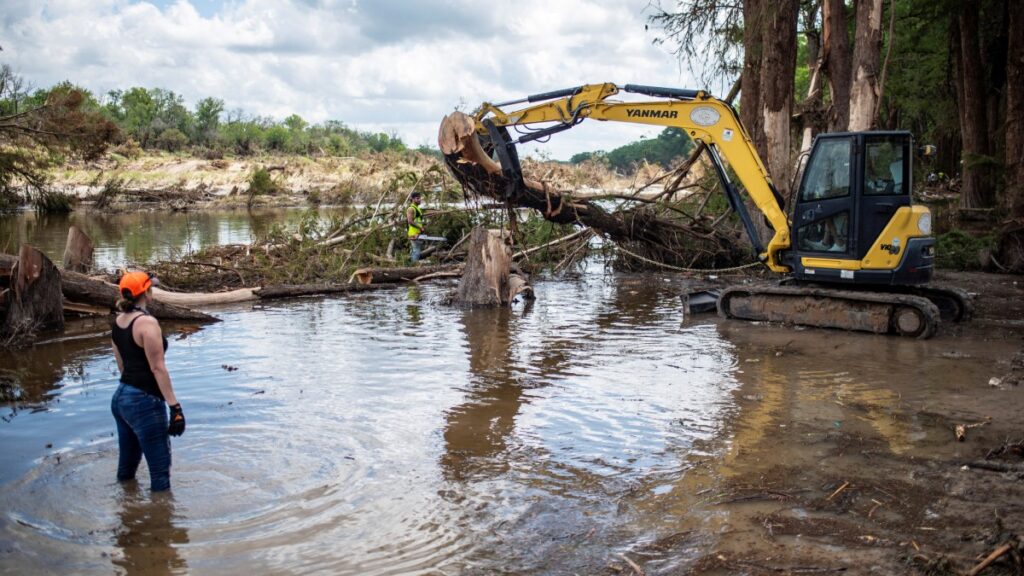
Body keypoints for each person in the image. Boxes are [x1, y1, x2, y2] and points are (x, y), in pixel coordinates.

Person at [110, 271, 185, 492]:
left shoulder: (118, 322)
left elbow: (121, 366)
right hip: (144, 402)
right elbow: (157, 367)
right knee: (160, 473)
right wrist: (175, 407)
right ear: (146, 293)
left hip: (121, 399)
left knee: (126, 471)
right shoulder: (147, 323)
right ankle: (160, 523)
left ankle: (126, 513)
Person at [406, 191, 426, 262]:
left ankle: (411, 265)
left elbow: (418, 221)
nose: (419, 200)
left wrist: (421, 228)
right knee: (416, 251)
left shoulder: (417, 208)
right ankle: (414, 266)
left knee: (415, 250)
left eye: (420, 198)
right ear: (413, 199)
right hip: (414, 233)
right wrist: (420, 227)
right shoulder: (411, 209)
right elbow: (410, 221)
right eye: (417, 198)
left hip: (418, 233)